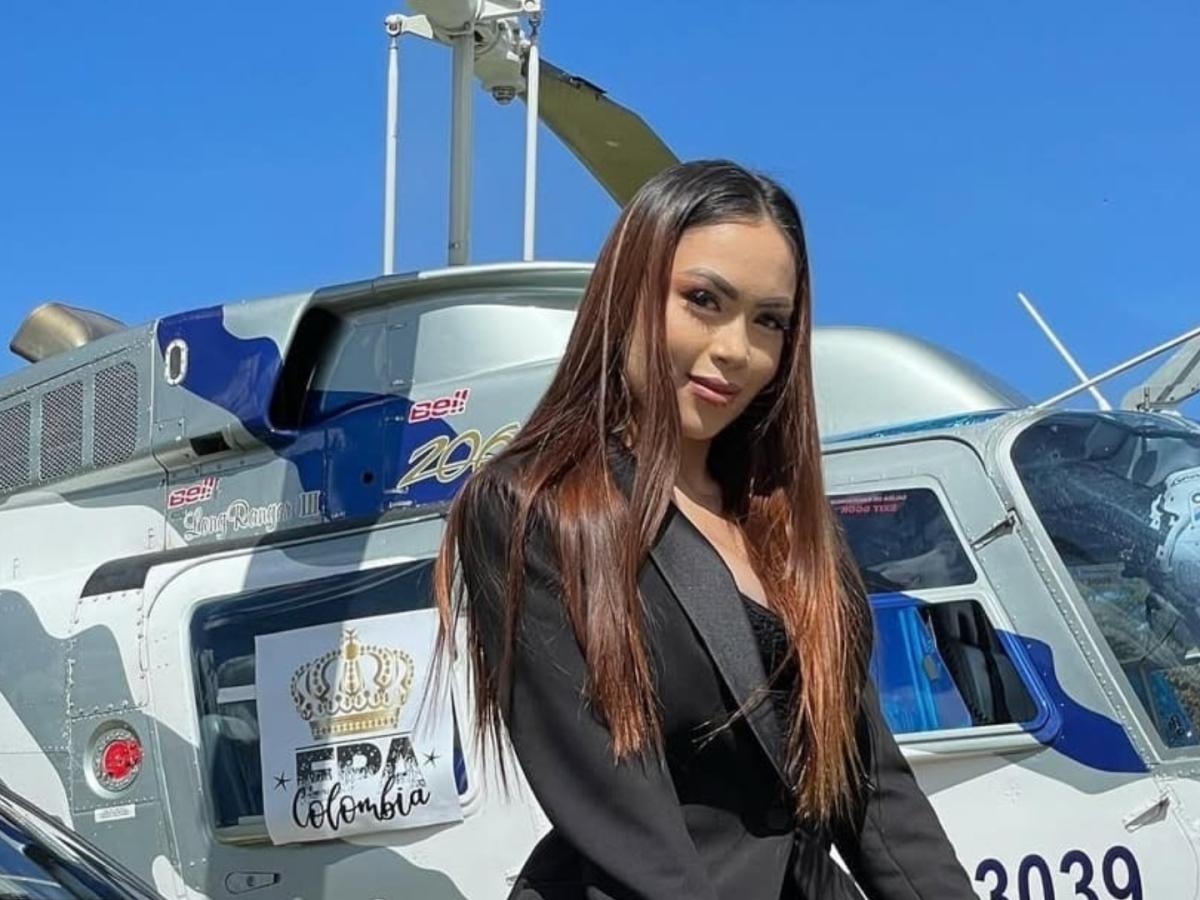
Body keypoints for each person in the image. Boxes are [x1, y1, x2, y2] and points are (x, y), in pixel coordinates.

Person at [433, 160, 974, 899]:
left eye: (769, 321)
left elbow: (874, 790)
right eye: (703, 301)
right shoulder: (538, 509)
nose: (736, 350)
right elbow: (627, 823)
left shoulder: (791, 526)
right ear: (628, 293)